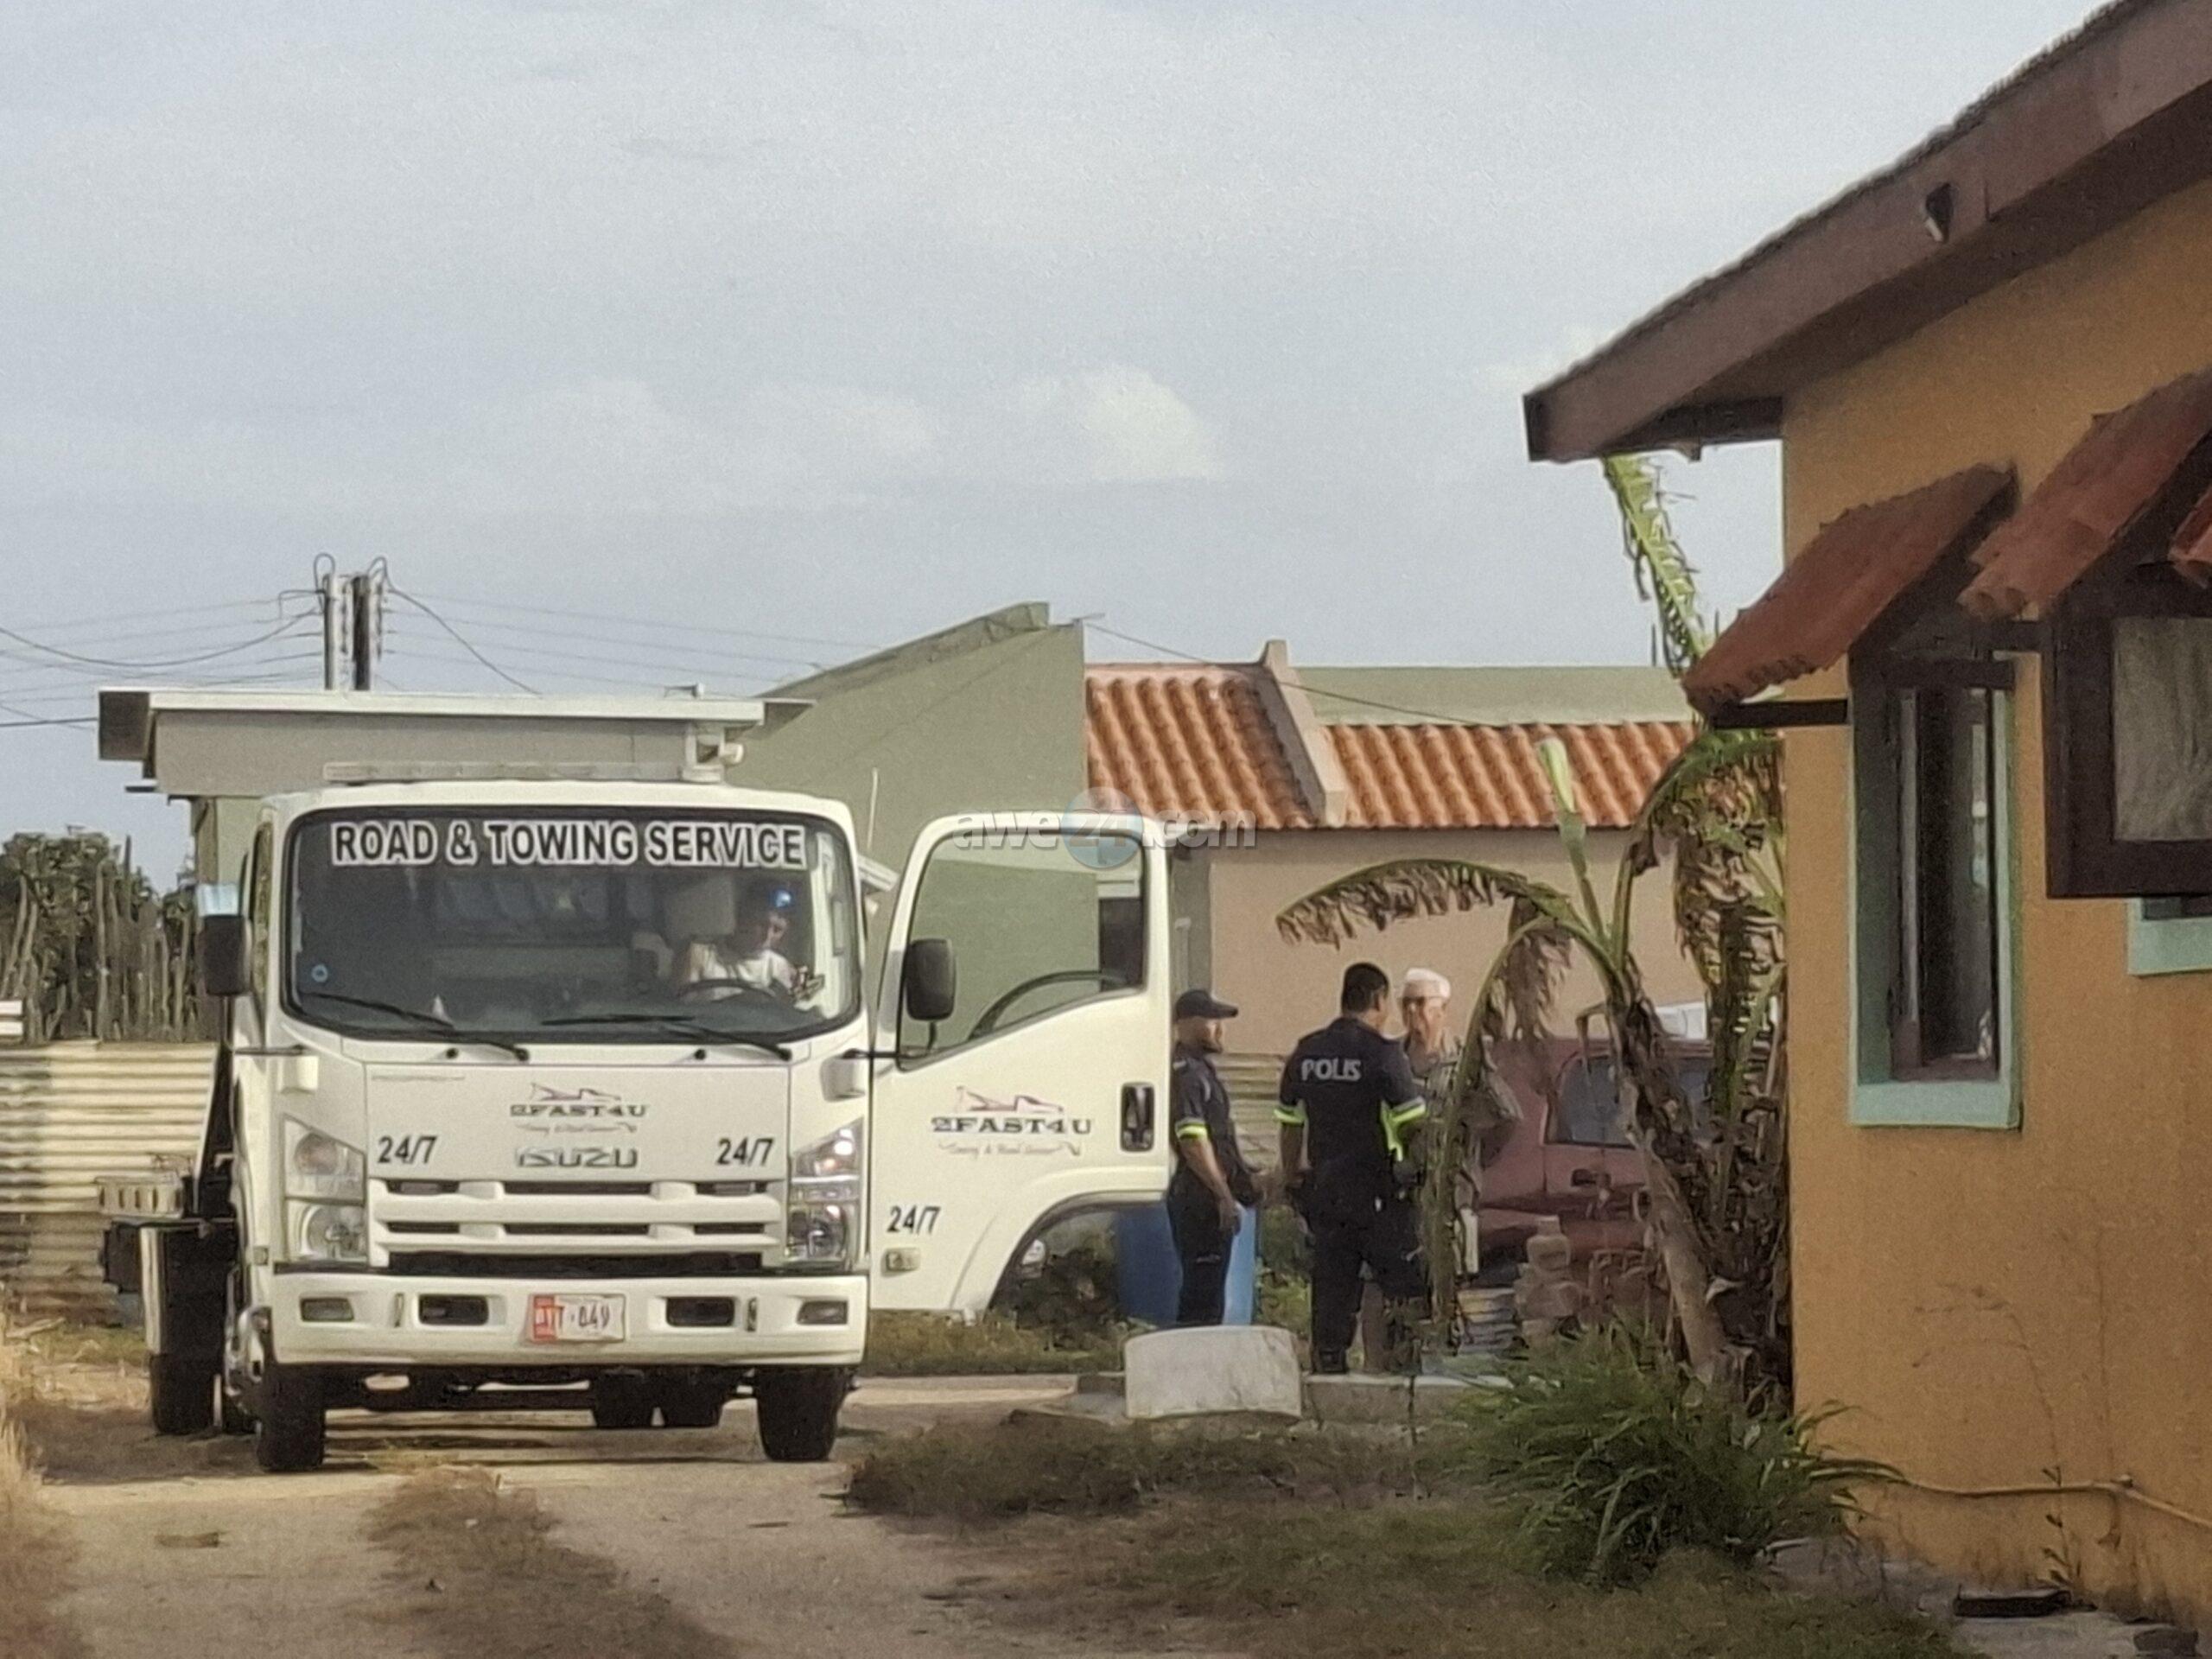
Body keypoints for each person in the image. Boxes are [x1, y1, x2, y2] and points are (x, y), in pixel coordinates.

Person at [1278, 962, 1430, 1374]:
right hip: (1379, 1191)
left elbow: (1290, 1121)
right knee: (1402, 1285)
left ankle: (1328, 1366)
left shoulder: (1306, 1052)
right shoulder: (1383, 1054)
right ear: (1379, 1000)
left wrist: (1291, 1177)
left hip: (1327, 1192)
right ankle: (1402, 1368)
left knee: (1332, 1288)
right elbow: (1412, 1124)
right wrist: (1424, 1172)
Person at [1166, 988, 1259, 1326]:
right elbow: (1193, 1140)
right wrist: (1222, 1195)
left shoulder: (1201, 1070)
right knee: (1201, 1300)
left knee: (1208, 1296)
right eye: (1211, 1020)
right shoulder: (1187, 1074)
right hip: (1200, 1199)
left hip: (1207, 1196)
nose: (1220, 1029)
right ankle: (1192, 1357)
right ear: (1186, 1023)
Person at [677, 882, 798, 999]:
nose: (767, 936)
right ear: (743, 918)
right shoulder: (700, 955)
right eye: (761, 925)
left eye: (777, 930)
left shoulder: (780, 967)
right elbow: (682, 1005)